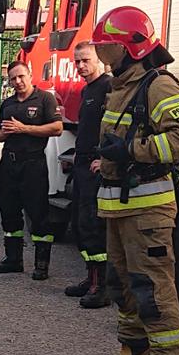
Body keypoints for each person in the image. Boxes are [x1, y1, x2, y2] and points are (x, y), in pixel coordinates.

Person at [83, 6, 179, 355]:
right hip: (119, 204)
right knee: (123, 284)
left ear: (130, 48)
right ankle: (134, 352)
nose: (103, 57)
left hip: (147, 206)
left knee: (153, 286)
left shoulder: (156, 85)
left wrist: (133, 150)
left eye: (108, 49)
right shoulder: (123, 85)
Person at [0, 61, 61, 282]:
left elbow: (57, 128)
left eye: (21, 76)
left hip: (33, 164)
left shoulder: (44, 99)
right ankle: (13, 259)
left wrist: (25, 129)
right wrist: (2, 134)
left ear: (30, 75)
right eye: (13, 78)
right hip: (9, 163)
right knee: (8, 210)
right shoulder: (8, 103)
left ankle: (41, 264)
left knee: (38, 213)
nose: (18, 82)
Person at [62, 40, 113, 309]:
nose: (81, 65)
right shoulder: (88, 90)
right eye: (77, 61)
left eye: (86, 60)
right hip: (82, 165)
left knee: (94, 226)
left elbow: (117, 128)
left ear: (99, 60)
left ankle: (101, 287)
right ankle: (90, 277)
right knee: (81, 224)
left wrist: (103, 158)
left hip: (95, 166)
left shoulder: (109, 87)